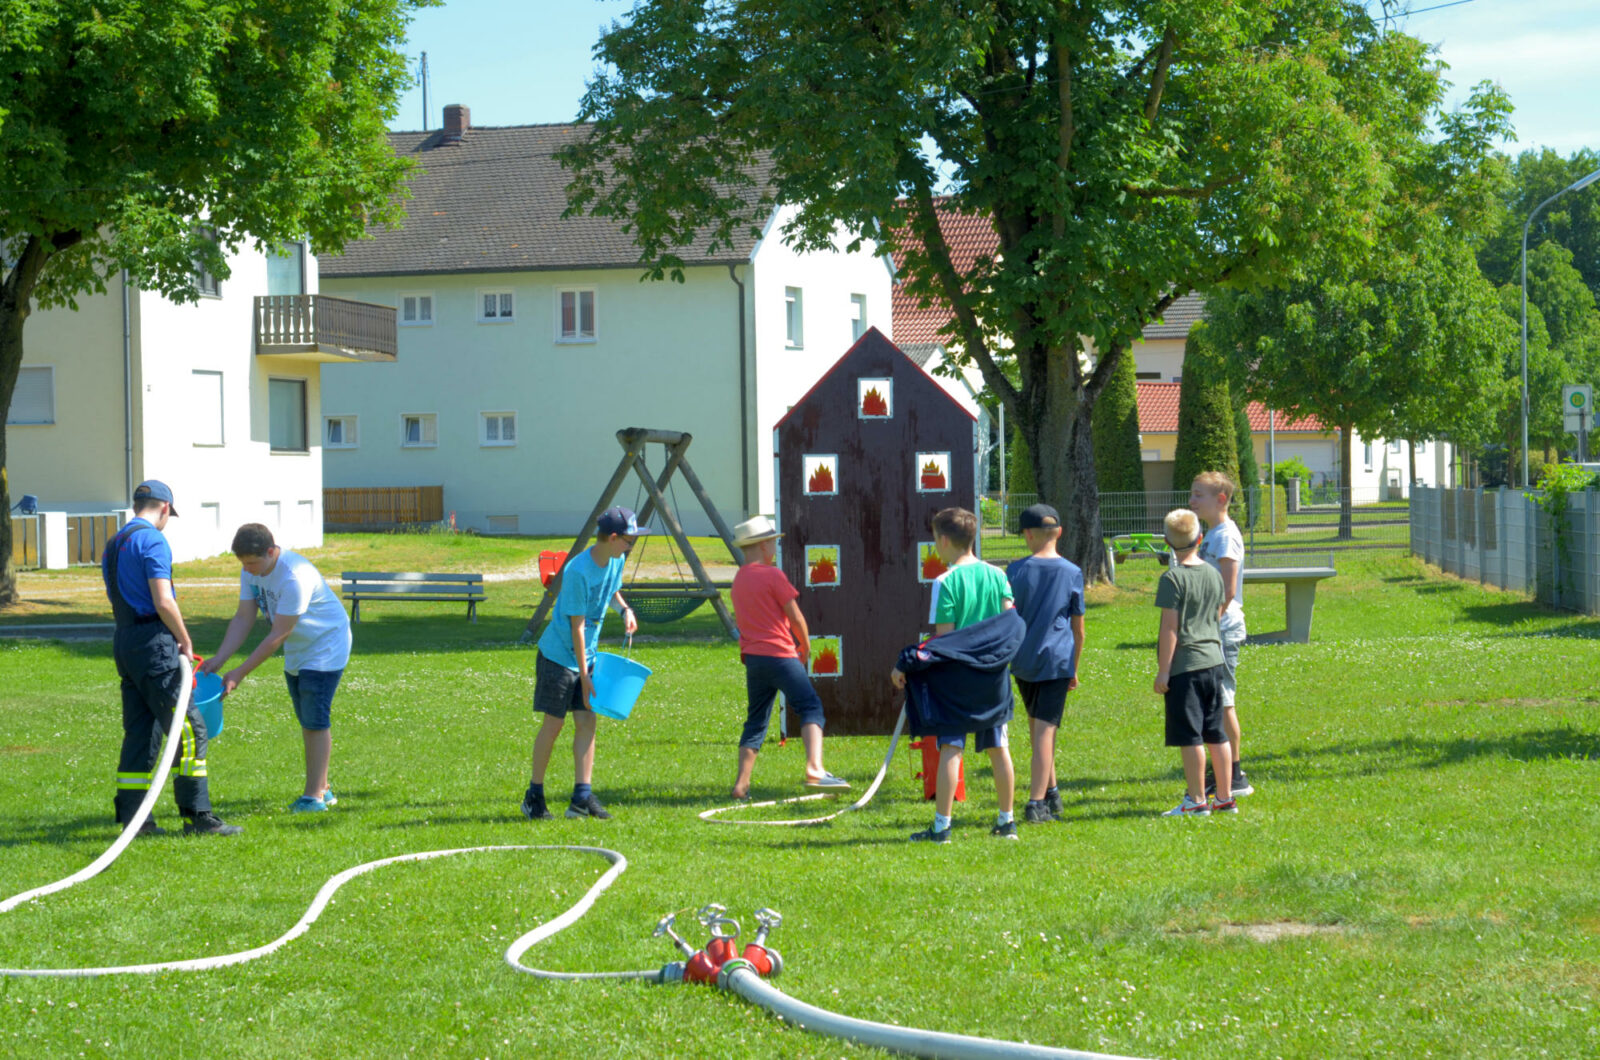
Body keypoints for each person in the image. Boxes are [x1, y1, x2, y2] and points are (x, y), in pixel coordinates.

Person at [101, 480, 240, 836]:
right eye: (169, 515)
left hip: (125, 640)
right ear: (164, 507)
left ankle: (136, 819)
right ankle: (198, 815)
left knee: (140, 731)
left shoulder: (115, 543)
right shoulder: (152, 540)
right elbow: (163, 600)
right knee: (190, 729)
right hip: (153, 642)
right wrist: (183, 638)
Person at [201, 523, 352, 814]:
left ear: (271, 551)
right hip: (299, 648)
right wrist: (220, 659)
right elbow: (244, 617)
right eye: (243, 563)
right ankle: (323, 786)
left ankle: (313, 798)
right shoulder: (250, 572)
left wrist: (240, 672)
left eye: (253, 562)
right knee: (306, 716)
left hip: (326, 644)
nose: (248, 569)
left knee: (314, 718)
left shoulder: (294, 576)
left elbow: (277, 635)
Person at [891, 506, 1019, 842]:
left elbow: (945, 641)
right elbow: (1009, 623)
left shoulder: (944, 582)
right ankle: (1007, 822)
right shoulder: (998, 575)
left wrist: (907, 663)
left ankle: (942, 827)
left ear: (944, 540)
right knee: (998, 747)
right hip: (993, 675)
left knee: (951, 748)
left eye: (934, 539)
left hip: (957, 680)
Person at [521, 506, 643, 821]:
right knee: (554, 723)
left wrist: (624, 610)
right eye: (629, 541)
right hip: (559, 656)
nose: (631, 547)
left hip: (586, 657)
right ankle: (534, 795)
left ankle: (581, 798)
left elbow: (612, 591)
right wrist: (584, 674)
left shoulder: (615, 561)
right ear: (613, 538)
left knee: (588, 722)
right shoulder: (577, 571)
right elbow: (577, 626)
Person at [727, 515, 848, 800]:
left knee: (756, 721)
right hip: (781, 655)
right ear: (763, 545)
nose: (774, 548)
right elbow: (795, 617)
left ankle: (741, 785)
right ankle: (815, 769)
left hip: (754, 660)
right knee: (810, 707)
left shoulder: (739, 579)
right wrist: (805, 647)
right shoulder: (773, 575)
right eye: (773, 542)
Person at [1004, 504, 1085, 824]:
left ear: (1027, 534)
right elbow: (1078, 629)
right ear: (1060, 532)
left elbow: (1007, 618)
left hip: (1023, 660)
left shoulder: (1015, 571)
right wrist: (1074, 666)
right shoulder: (1072, 572)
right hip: (1057, 660)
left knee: (1038, 727)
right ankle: (1036, 803)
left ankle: (1051, 792)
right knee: (1044, 733)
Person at [1153, 508, 1234, 816]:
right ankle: (1225, 797)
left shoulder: (1172, 578)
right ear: (1200, 538)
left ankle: (1197, 800)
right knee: (1216, 732)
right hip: (1214, 662)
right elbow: (1217, 611)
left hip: (1185, 667)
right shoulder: (1213, 573)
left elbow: (1169, 628)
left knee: (1191, 737)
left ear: (1166, 542)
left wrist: (1164, 671)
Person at [1188, 471, 1253, 797]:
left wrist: (1207, 623)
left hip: (1221, 629)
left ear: (1221, 499)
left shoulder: (1226, 536)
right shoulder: (1211, 534)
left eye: (1199, 495)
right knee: (1216, 700)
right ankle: (1222, 771)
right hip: (1210, 628)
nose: (1192, 501)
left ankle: (1235, 776)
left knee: (1224, 700)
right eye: (1192, 494)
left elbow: (1228, 590)